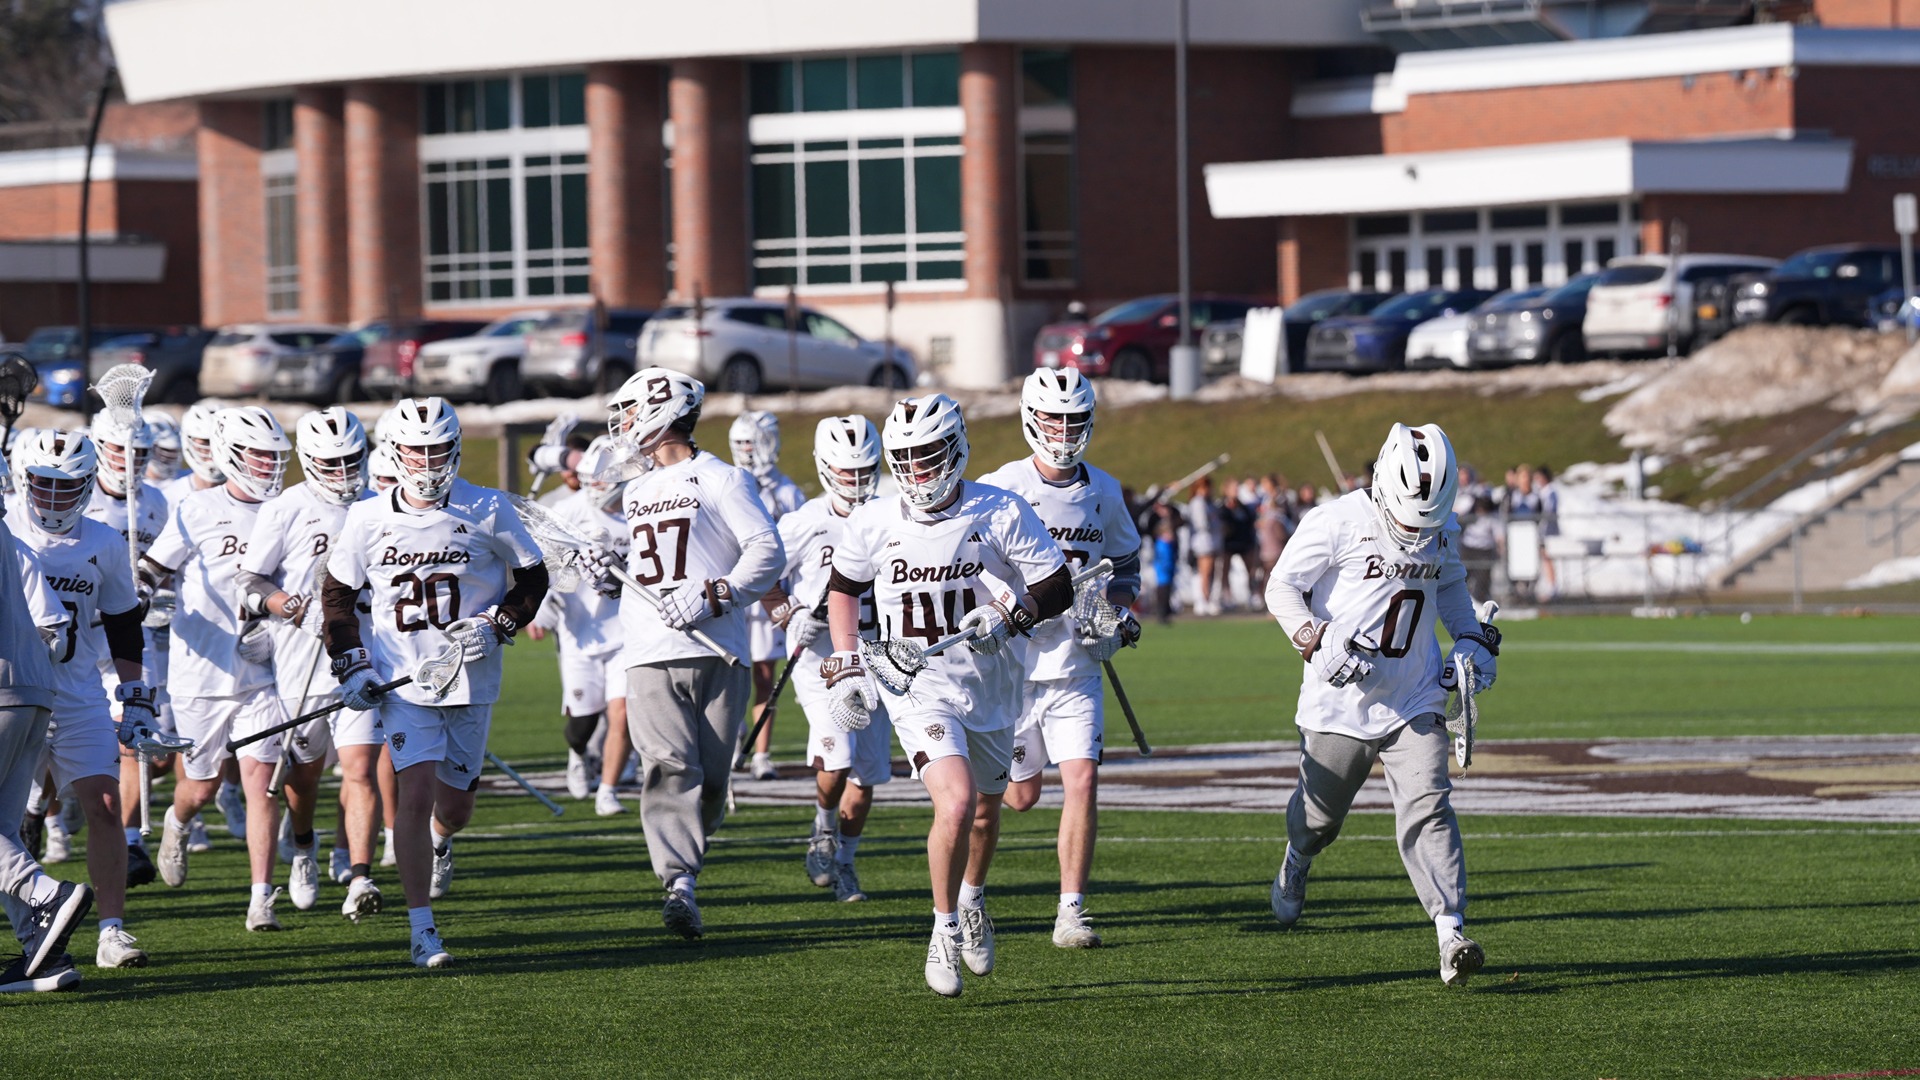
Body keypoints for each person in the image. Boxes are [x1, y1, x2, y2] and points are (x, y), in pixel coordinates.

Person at [823, 392, 1070, 998]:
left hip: (992, 683)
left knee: (986, 811)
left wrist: (1012, 616)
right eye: (906, 458)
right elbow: (844, 589)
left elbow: (1057, 584)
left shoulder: (999, 509)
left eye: (930, 455)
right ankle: (942, 929)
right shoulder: (874, 520)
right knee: (956, 803)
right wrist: (849, 660)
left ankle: (973, 897)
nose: (918, 470)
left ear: (957, 449)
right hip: (917, 685)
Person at [1264, 422, 1500, 987]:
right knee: (1318, 823)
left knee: (1429, 804)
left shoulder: (1439, 529)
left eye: (1429, 521)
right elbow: (1281, 587)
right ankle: (1297, 858)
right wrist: (1314, 639)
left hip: (1414, 694)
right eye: (1410, 519)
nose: (1418, 532)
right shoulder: (1336, 520)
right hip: (1340, 699)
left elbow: (1450, 587)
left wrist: (1471, 639)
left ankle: (1450, 932)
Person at [321, 397, 549, 967]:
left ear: (456, 448)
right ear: (396, 452)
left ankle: (442, 843)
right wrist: (353, 664)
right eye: (417, 450)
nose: (428, 461)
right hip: (404, 683)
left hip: (471, 678)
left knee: (455, 809)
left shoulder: (487, 506)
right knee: (413, 795)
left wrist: (498, 624)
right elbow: (338, 597)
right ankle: (422, 929)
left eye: (438, 449)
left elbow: (532, 577)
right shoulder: (367, 517)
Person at [599, 368, 782, 939]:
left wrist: (714, 594)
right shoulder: (634, 489)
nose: (625, 425)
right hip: (650, 648)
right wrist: (611, 576)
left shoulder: (723, 479)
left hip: (718, 648)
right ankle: (679, 883)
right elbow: (650, 567)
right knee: (669, 766)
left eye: (632, 412)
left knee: (712, 780)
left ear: (661, 411)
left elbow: (766, 552)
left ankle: (686, 864)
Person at [979, 369, 1141, 949]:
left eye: (1074, 419)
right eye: (1054, 419)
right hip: (1014, 667)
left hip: (1076, 666)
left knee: (1083, 781)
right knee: (1018, 797)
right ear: (1031, 418)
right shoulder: (999, 487)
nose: (1064, 430)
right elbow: (969, 564)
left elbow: (1125, 566)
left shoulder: (1105, 490)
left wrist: (1118, 614)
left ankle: (1071, 912)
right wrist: (1004, 607)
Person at [5, 431, 156, 969]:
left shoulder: (104, 541)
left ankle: (111, 931)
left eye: (65, 485)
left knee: (106, 803)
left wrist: (134, 695)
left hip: (75, 692)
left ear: (89, 484)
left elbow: (123, 623)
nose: (52, 496)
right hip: (11, 689)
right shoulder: (6, 527)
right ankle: (33, 923)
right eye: (43, 483)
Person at [144, 406, 296, 931]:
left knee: (261, 783)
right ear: (231, 454)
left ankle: (261, 899)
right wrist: (139, 594)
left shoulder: (289, 508)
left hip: (265, 673)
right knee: (201, 787)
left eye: (274, 455)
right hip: (202, 670)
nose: (268, 464)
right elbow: (154, 568)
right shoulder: (197, 508)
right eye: (258, 454)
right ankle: (178, 819)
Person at [235, 408, 381, 922]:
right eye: (331, 462)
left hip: (365, 656)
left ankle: (360, 877)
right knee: (305, 775)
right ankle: (303, 846)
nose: (343, 472)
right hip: (304, 663)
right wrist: (295, 609)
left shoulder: (379, 505)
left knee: (360, 768)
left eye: (350, 460)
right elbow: (251, 582)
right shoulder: (286, 508)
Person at [759, 415, 889, 902]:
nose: (855, 481)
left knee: (866, 774)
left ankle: (846, 863)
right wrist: (789, 614)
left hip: (877, 659)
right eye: (846, 471)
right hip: (822, 662)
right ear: (825, 467)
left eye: (864, 471)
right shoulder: (804, 522)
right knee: (837, 759)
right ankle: (822, 829)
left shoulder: (892, 513)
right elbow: (764, 576)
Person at [0, 485, 98, 994]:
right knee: (4, 832)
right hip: (34, 689)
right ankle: (43, 954)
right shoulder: (12, 540)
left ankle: (46, 894)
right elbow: (55, 629)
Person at [533, 435, 634, 817]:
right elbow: (540, 562)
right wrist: (542, 605)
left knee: (622, 713)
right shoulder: (569, 511)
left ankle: (607, 790)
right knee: (583, 722)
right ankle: (578, 755)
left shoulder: (639, 509)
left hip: (626, 631)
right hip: (580, 630)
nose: (597, 485)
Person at [729, 411, 806, 781]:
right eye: (742, 443)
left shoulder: (787, 491)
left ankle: (761, 753)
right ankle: (733, 733)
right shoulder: (728, 483)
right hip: (734, 592)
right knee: (731, 674)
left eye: (753, 442)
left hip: (770, 596)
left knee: (764, 676)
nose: (748, 450)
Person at [1187, 476, 1220, 616]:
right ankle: (1203, 600)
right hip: (1203, 542)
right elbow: (1201, 523)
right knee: (1205, 572)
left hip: (1212, 541)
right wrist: (1216, 525)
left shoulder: (1208, 502)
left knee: (1210, 572)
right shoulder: (1198, 502)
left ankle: (1207, 598)